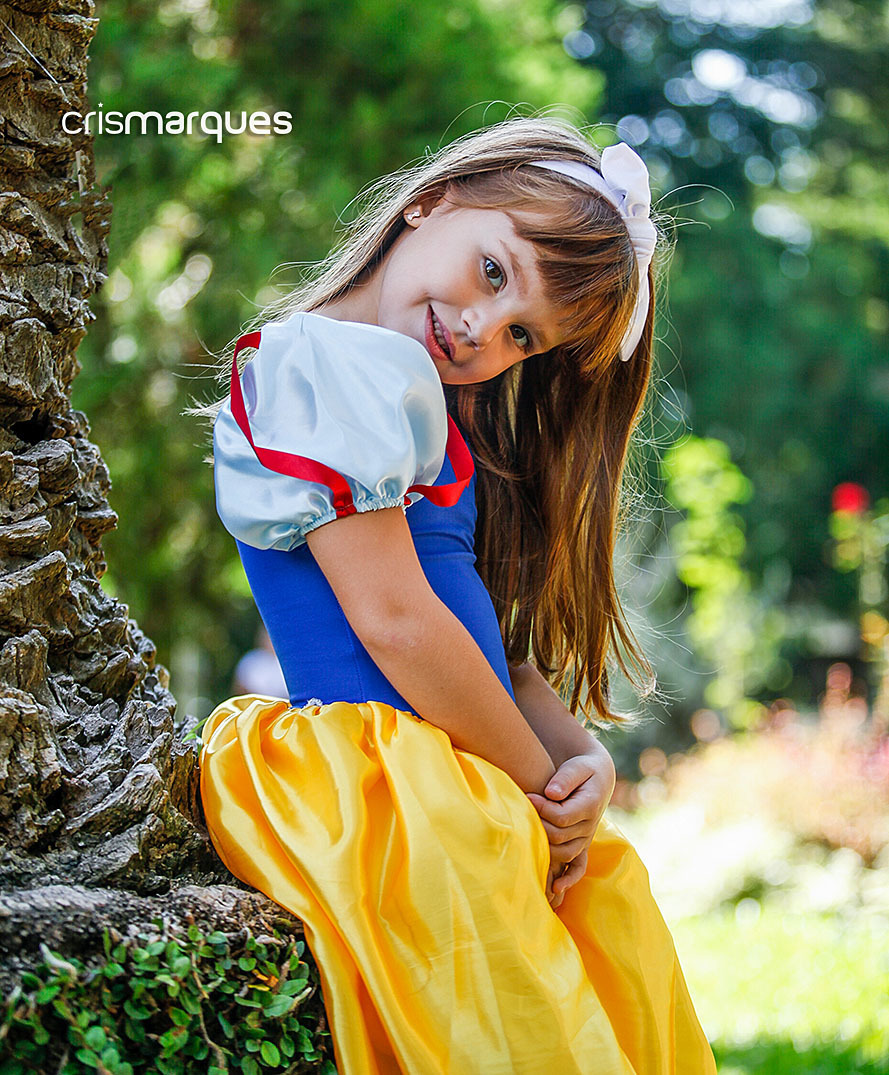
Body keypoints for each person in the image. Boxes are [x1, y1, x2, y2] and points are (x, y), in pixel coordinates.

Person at [196, 115, 716, 1073]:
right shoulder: (318, 363)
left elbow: (492, 657)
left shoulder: (419, 403)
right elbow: (397, 624)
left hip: (465, 766)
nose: (484, 329)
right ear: (431, 201)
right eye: (491, 271)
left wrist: (577, 765)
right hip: (387, 782)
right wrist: (529, 781)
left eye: (523, 336)